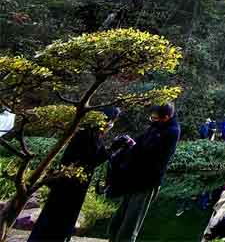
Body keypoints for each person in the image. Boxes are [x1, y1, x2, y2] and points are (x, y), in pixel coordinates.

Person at [28, 108, 119, 242]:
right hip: (71, 184)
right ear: (106, 119)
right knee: (59, 218)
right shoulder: (88, 134)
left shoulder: (91, 133)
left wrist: (111, 150)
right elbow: (91, 160)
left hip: (72, 183)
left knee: (56, 217)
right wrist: (113, 149)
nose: (111, 125)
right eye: (112, 121)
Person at [108, 103, 181, 242]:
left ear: (166, 117)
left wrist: (134, 147)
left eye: (156, 118)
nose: (153, 120)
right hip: (134, 177)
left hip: (147, 181)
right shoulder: (156, 126)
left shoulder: (171, 131)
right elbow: (140, 141)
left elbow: (151, 153)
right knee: (119, 217)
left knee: (131, 220)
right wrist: (129, 142)